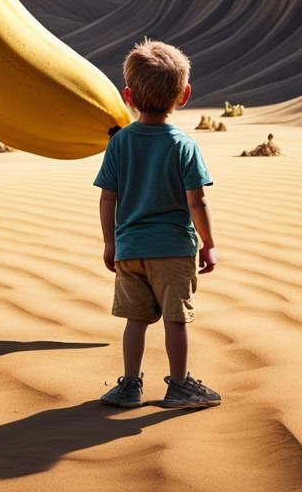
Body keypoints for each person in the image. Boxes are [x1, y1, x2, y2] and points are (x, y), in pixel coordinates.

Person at [94, 38, 220, 409]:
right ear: (184, 95)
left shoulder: (118, 144)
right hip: (173, 249)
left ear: (128, 96)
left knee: (135, 320)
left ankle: (130, 385)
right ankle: (179, 385)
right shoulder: (184, 146)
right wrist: (208, 243)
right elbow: (197, 201)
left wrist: (110, 242)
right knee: (175, 320)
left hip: (130, 249)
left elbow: (107, 197)